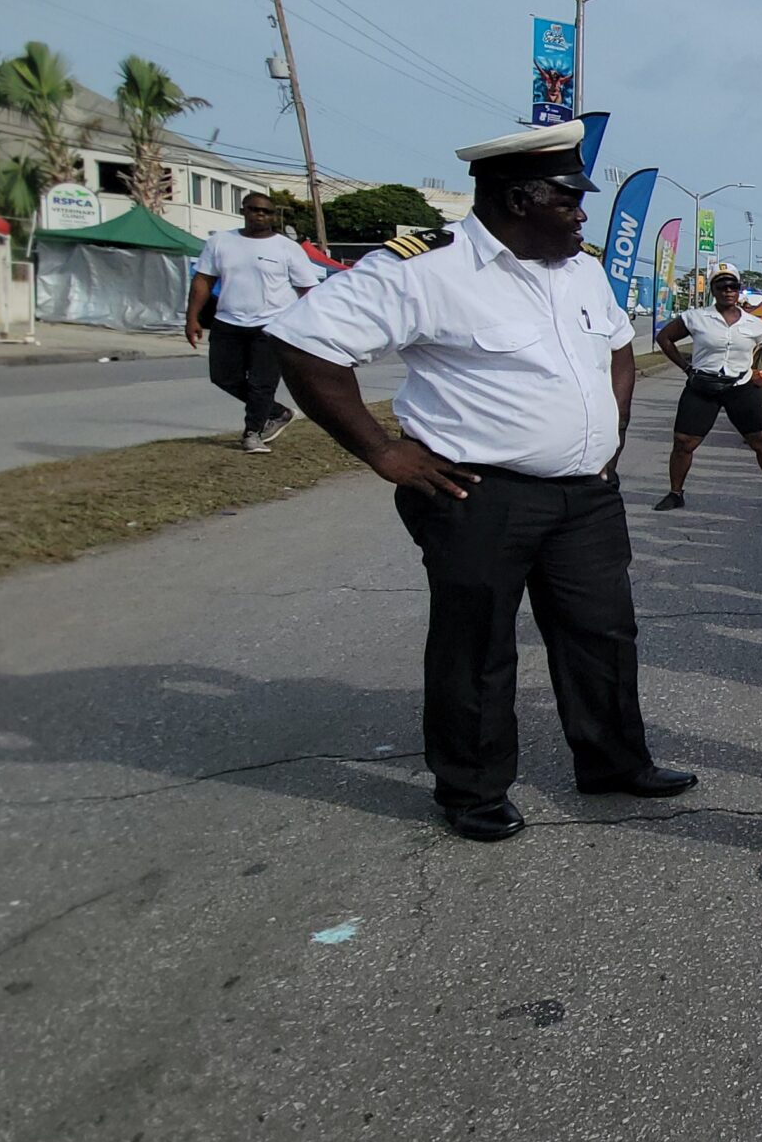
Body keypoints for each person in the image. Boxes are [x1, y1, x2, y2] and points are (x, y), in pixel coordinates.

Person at [268, 119, 693, 843]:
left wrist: (612, 432)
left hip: (585, 494)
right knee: (477, 646)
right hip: (477, 493)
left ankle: (613, 761)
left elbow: (621, 350)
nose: (582, 213)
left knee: (602, 633)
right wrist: (382, 452)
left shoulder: (582, 269)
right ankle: (471, 790)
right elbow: (304, 343)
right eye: (569, 198)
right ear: (518, 198)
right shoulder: (428, 269)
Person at [186, 191, 326, 453]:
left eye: (267, 211)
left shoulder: (286, 248)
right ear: (244, 211)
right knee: (222, 377)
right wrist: (192, 317)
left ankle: (253, 433)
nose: (260, 215)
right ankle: (278, 412)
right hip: (228, 321)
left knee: (262, 383)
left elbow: (307, 288)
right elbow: (203, 281)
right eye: (254, 209)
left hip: (273, 324)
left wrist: (309, 324)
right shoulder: (220, 242)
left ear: (274, 216)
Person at [649, 271, 762, 512]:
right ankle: (675, 493)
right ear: (713, 291)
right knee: (684, 442)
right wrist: (686, 367)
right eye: (722, 287)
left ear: (738, 292)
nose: (728, 291)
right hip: (702, 386)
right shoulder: (696, 317)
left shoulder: (752, 323)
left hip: (740, 386)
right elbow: (664, 338)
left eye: (733, 287)